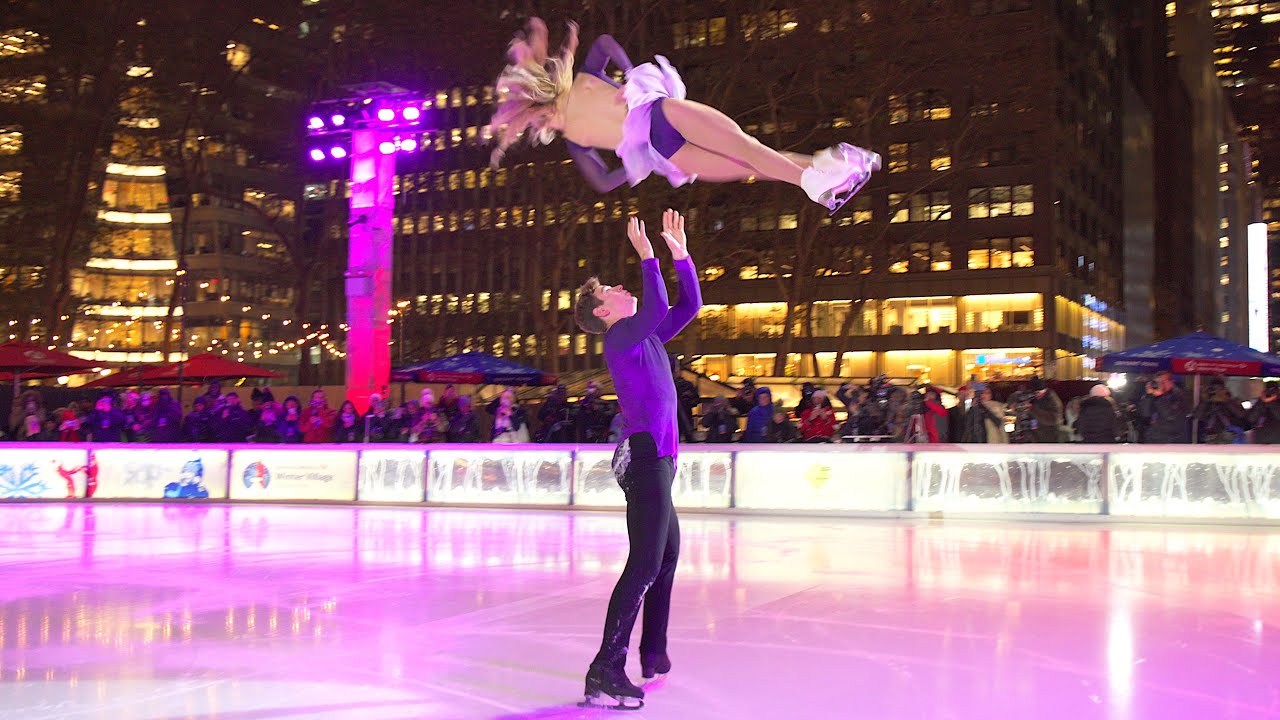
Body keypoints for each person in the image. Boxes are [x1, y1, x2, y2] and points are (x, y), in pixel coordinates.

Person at [491, 19, 880, 214]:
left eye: (536, 120)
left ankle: (824, 170)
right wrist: (636, 157)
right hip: (663, 142)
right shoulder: (576, 139)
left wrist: (631, 76)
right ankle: (823, 173)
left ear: (539, 107)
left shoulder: (582, 86)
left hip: (660, 120)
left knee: (750, 153)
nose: (540, 128)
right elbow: (604, 182)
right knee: (749, 158)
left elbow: (605, 44)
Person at [572, 210, 700, 709]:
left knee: (664, 557)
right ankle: (606, 666)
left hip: (659, 459)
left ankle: (652, 651)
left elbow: (689, 304)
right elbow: (660, 302)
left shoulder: (644, 336)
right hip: (646, 459)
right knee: (645, 562)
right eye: (611, 290)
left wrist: (680, 253)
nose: (621, 287)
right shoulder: (620, 337)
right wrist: (647, 254)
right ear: (604, 311)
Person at [1138, 371, 1190, 444]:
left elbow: (1171, 416)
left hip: (1172, 441)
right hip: (1152, 439)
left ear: (1171, 382)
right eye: (1157, 382)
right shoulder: (1154, 395)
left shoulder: (1179, 396)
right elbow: (1145, 414)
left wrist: (1160, 396)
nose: (1160, 384)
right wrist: (1148, 395)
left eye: (1162, 381)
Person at [1028, 377, 1063, 443]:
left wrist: (1033, 409)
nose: (1036, 395)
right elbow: (1033, 418)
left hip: (1050, 436)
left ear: (1045, 390)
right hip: (1037, 436)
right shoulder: (1035, 400)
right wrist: (1033, 429)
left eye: (1038, 392)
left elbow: (1053, 419)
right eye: (1034, 393)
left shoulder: (1053, 400)